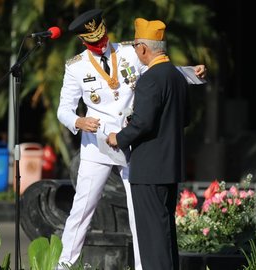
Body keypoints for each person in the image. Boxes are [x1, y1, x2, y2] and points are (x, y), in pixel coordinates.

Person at [57, 9, 205, 269]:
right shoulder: (76, 67)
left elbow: (161, 72)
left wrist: (192, 72)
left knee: (141, 212)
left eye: (102, 38)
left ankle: (142, 266)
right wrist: (78, 122)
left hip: (132, 142)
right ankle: (65, 265)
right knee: (82, 209)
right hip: (98, 144)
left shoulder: (128, 51)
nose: (101, 44)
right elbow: (63, 110)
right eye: (94, 42)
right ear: (83, 41)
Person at [106, 18, 189, 270]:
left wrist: (118, 138)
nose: (135, 52)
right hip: (169, 167)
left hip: (149, 169)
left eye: (135, 47)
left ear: (143, 48)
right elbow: (185, 118)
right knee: (164, 233)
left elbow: (142, 123)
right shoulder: (177, 76)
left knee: (153, 238)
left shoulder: (150, 79)